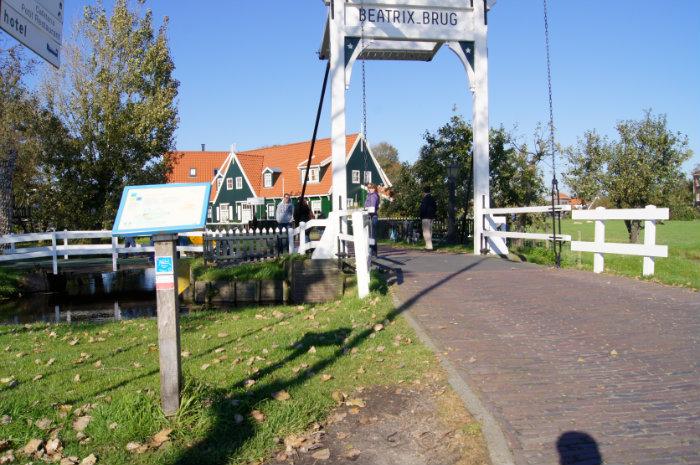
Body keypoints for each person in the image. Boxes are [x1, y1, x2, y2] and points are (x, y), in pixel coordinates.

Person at [364, 183, 380, 257]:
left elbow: (372, 207)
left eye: (371, 188)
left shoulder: (373, 196)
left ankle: (373, 252)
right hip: (370, 216)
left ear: (374, 188)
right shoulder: (369, 195)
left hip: (373, 217)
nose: (370, 189)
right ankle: (372, 252)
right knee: (371, 235)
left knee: (372, 235)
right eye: (369, 188)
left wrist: (366, 208)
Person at [419, 186, 437, 250]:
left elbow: (422, 209)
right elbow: (435, 207)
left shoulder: (424, 199)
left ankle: (429, 246)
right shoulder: (432, 198)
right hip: (431, 217)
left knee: (426, 232)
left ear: (424, 192)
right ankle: (427, 245)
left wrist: (421, 216)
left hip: (425, 217)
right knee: (430, 231)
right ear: (430, 191)